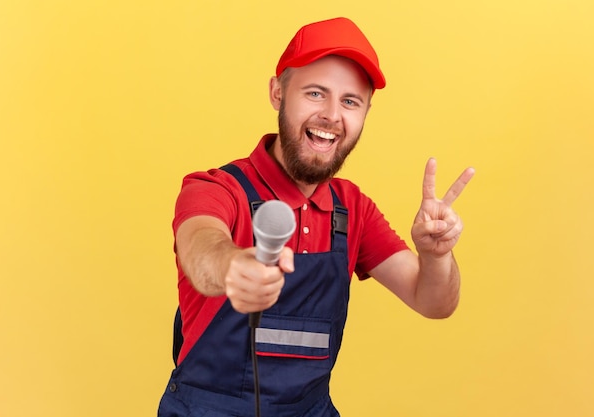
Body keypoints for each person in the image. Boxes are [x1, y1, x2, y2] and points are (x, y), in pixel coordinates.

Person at [158, 17, 474, 417]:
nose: (331, 114)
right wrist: (233, 267)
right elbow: (201, 247)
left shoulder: (353, 208)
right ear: (277, 92)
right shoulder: (218, 188)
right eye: (315, 93)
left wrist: (437, 256)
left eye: (349, 101)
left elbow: (433, 302)